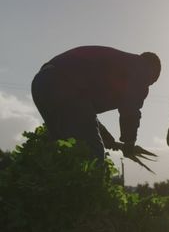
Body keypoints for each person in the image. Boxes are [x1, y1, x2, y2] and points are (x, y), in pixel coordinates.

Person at [31, 46, 161, 162]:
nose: (147, 86)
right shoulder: (142, 68)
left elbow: (83, 111)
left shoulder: (122, 65)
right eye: (151, 82)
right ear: (153, 72)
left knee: (63, 148)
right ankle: (91, 188)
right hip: (64, 85)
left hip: (42, 83)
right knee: (93, 155)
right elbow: (130, 109)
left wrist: (106, 138)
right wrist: (129, 143)